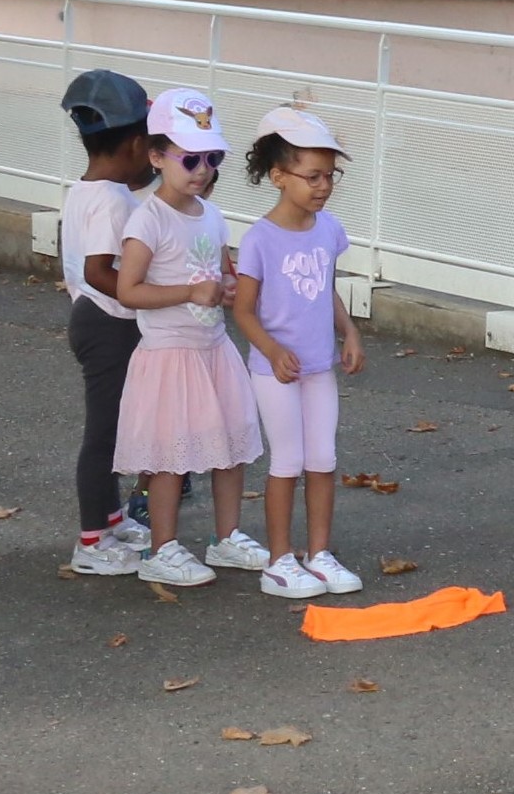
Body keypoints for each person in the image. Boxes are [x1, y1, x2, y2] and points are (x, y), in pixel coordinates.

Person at [110, 87, 267, 588]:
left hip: (213, 350)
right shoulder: (147, 219)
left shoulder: (211, 213)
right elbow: (128, 290)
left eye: (212, 158)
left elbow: (219, 273)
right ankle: (163, 548)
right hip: (169, 355)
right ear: (156, 156)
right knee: (170, 457)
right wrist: (189, 292)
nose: (202, 170)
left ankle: (228, 536)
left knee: (229, 446)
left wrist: (227, 287)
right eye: (190, 158)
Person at [230, 105, 366, 599]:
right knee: (286, 461)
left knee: (323, 458)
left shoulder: (327, 229)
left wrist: (348, 332)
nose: (323, 186)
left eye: (330, 176)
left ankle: (320, 553)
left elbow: (324, 288)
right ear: (278, 177)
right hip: (276, 372)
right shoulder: (260, 239)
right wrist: (272, 350)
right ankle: (280, 560)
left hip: (318, 366)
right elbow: (244, 310)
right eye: (312, 176)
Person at [57, 68, 157, 577]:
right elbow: (100, 270)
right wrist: (150, 297)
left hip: (94, 318)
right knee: (104, 435)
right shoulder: (115, 200)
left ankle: (112, 520)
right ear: (138, 144)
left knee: (114, 431)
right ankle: (91, 540)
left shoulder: (85, 190)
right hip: (108, 323)